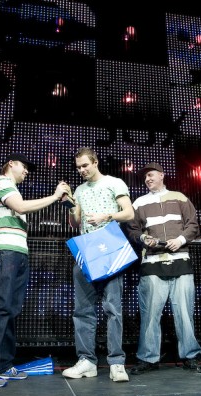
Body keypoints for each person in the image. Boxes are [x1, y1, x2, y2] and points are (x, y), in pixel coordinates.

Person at [0, 153, 70, 388]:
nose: (26, 171)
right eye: (24, 166)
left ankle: (3, 365)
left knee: (11, 309)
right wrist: (55, 196)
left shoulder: (13, 188)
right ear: (11, 164)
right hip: (6, 251)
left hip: (18, 252)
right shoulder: (1, 181)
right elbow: (21, 206)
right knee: (0, 307)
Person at [62, 147, 135, 382]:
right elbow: (75, 223)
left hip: (110, 249)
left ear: (95, 162)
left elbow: (129, 213)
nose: (81, 170)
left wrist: (107, 216)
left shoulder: (114, 183)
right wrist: (69, 205)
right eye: (78, 167)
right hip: (87, 251)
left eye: (85, 165)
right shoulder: (80, 190)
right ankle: (87, 361)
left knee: (113, 309)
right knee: (83, 310)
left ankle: (117, 362)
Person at [125, 163, 201, 375]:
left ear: (162, 175)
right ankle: (148, 358)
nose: (147, 179)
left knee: (185, 313)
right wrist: (143, 238)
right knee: (150, 314)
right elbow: (132, 229)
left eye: (151, 175)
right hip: (152, 263)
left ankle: (190, 356)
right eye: (145, 177)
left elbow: (193, 225)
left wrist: (180, 240)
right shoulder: (139, 202)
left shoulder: (179, 197)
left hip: (181, 261)